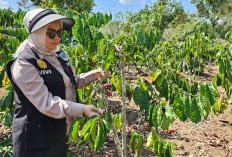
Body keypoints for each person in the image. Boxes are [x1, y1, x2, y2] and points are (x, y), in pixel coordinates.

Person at [6, 8, 107, 157]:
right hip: (34, 139)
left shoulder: (59, 55)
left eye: (60, 33)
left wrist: (92, 75)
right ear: (37, 33)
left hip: (58, 131)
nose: (57, 38)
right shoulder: (24, 63)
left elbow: (70, 82)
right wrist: (82, 109)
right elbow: (46, 102)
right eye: (51, 33)